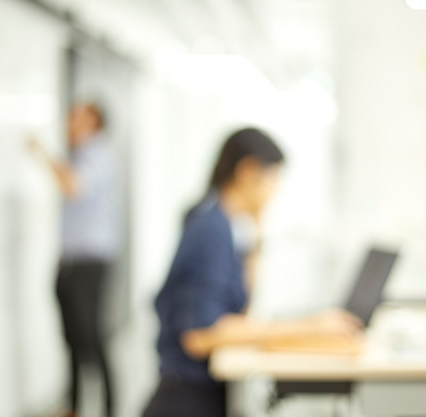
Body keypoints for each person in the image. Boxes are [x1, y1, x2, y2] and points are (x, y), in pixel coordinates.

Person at [143, 128, 361, 417]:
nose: (275, 191)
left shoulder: (222, 222)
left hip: (199, 394)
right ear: (247, 171)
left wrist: (257, 232)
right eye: (274, 179)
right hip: (187, 400)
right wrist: (309, 327)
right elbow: (201, 336)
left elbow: (239, 314)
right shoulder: (211, 231)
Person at [29, 102, 118, 417]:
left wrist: (41, 153)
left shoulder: (97, 154)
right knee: (72, 338)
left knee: (92, 336)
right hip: (72, 263)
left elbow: (73, 186)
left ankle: (110, 407)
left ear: (93, 121)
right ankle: (75, 406)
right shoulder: (80, 155)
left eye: (76, 116)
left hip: (89, 263)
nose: (69, 121)